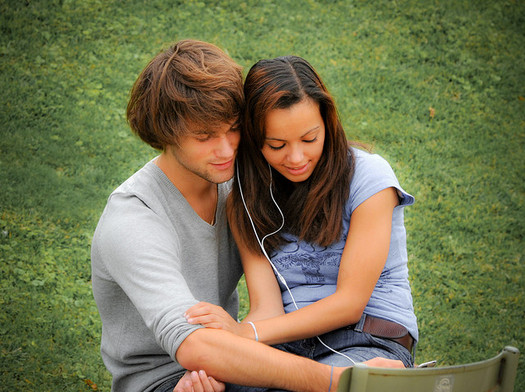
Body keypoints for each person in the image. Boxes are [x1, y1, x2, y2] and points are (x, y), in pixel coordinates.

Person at [91, 41, 403, 392]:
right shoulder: (132, 220)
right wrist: (335, 381)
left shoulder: (238, 188)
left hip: (229, 363)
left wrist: (245, 335)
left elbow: (265, 313)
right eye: (205, 136)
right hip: (166, 380)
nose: (226, 150)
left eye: (233, 128)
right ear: (165, 135)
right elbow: (195, 345)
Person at [184, 55, 418, 373]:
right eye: (276, 145)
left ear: (327, 123)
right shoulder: (245, 200)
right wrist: (221, 359)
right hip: (285, 345)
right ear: (254, 140)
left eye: (309, 139)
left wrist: (244, 334)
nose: (296, 158)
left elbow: (350, 304)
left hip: (368, 340)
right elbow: (266, 309)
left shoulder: (369, 177)